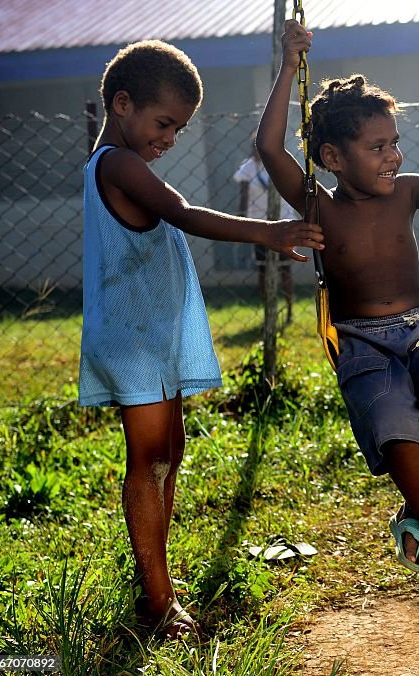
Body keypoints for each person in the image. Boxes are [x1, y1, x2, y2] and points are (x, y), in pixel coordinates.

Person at [78, 39, 323, 639]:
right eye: (164, 123)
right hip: (134, 340)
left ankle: (156, 580)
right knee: (149, 461)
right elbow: (183, 212)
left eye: (180, 129)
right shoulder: (116, 162)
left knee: (170, 455)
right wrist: (269, 233)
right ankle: (157, 604)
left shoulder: (121, 157)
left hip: (151, 334)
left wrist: (290, 63)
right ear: (123, 103)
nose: (170, 138)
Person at [257, 20, 419, 616]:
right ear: (332, 157)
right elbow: (268, 147)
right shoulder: (317, 204)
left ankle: (418, 517)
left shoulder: (407, 191)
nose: (394, 156)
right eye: (378, 147)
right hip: (362, 342)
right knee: (397, 431)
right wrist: (289, 65)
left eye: (394, 143)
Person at [233, 141, 296, 321]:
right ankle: (269, 311)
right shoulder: (248, 168)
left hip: (283, 221)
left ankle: (290, 310)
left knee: (285, 270)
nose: (256, 151)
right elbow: (243, 197)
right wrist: (241, 222)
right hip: (259, 224)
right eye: (253, 147)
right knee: (263, 270)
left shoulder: (279, 163)